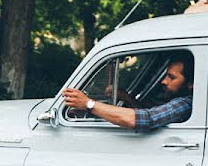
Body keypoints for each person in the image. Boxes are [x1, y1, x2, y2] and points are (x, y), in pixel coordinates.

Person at [62, 52, 194, 131]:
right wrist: (127, 98)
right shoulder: (180, 99)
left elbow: (145, 119)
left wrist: (88, 104)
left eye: (171, 77)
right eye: (165, 76)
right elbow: (149, 112)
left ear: (190, 84)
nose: (163, 81)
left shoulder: (186, 104)